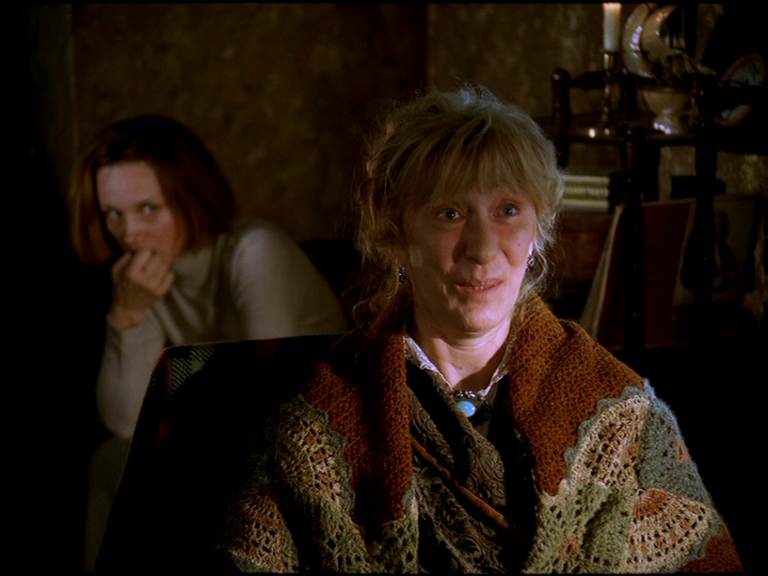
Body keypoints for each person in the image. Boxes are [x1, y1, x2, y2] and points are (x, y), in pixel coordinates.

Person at [210, 87, 743, 572]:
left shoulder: (619, 412)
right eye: (450, 214)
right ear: (397, 236)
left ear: (537, 234)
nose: (483, 249)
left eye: (507, 210)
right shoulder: (318, 422)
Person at [68, 114, 348, 569]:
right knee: (109, 460)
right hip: (227, 431)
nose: (129, 234)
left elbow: (266, 396)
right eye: (113, 214)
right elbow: (122, 423)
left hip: (308, 438)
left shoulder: (254, 250)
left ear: (190, 198)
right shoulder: (149, 273)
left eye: (148, 209)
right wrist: (127, 314)